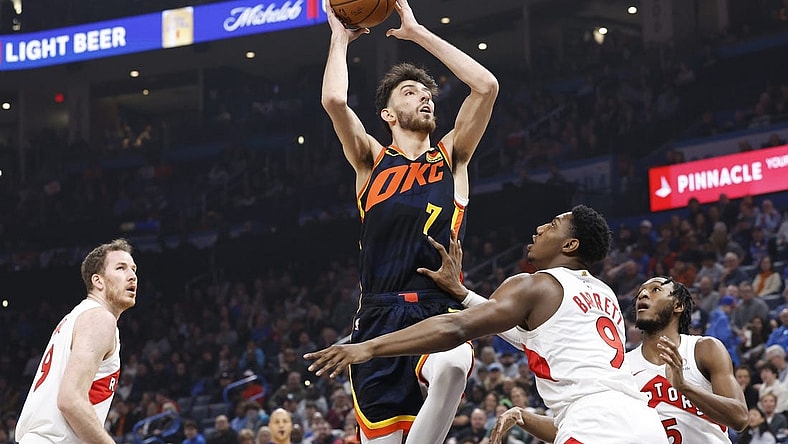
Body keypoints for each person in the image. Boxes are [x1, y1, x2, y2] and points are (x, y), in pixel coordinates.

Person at [306, 205, 668, 443]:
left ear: (570, 244)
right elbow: (531, 338)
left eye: (554, 224)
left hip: (595, 422)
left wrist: (369, 346)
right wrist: (462, 292)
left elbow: (456, 329)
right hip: (644, 423)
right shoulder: (602, 294)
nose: (541, 226)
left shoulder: (534, 284)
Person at [320, 0, 498, 441]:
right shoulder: (370, 162)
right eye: (410, 92)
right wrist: (339, 39)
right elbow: (333, 99)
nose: (423, 96)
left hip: (435, 306)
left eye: (427, 93)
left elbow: (487, 86)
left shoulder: (451, 157)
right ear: (387, 114)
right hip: (378, 314)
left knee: (454, 364)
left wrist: (416, 32)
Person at [16, 239, 138, 444]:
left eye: (134, 269)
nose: (132, 276)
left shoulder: (76, 317)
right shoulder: (100, 318)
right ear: (98, 281)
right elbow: (70, 400)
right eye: (121, 268)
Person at [626, 276, 749, 442]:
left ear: (678, 305)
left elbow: (739, 418)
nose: (643, 294)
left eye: (656, 289)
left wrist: (684, 386)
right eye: (641, 292)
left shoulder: (703, 349)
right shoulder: (624, 365)